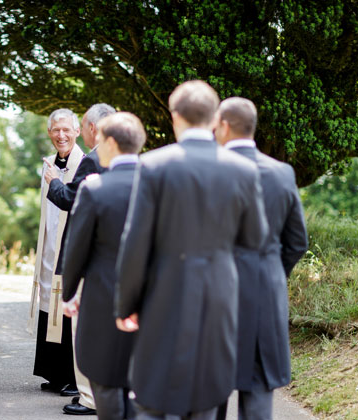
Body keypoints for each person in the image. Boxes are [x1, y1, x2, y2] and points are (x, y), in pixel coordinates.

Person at [115, 80, 268, 420]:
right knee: (206, 395)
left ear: (175, 117)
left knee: (154, 394)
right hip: (220, 297)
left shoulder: (153, 165)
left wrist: (127, 304)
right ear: (215, 120)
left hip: (163, 296)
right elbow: (255, 238)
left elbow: (135, 242)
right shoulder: (243, 170)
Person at [213, 97, 308, 420]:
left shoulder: (209, 170)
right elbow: (297, 241)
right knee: (257, 396)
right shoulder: (282, 173)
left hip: (212, 296)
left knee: (207, 394)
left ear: (223, 125)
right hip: (265, 294)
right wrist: (271, 275)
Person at [62, 112, 145, 420]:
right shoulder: (162, 185)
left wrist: (69, 293)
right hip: (151, 301)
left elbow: (77, 248)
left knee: (106, 380)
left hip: (103, 298)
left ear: (110, 143)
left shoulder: (95, 189)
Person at [44, 103, 115, 415]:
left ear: (91, 128)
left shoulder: (93, 160)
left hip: (91, 259)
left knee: (85, 332)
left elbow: (71, 200)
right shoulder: (126, 158)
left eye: (82, 126)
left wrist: (53, 183)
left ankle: (89, 397)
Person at [28, 108, 84, 397]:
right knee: (48, 307)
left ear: (76, 131)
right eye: (55, 130)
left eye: (66, 130)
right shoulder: (48, 163)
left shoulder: (84, 163)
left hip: (70, 244)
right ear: (49, 133)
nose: (61, 135)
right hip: (50, 243)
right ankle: (53, 372)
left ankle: (72, 377)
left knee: (66, 310)